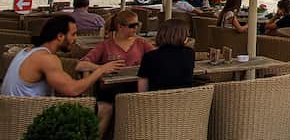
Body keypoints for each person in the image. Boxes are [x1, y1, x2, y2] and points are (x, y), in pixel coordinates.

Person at [1, 15, 123, 97]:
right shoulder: (47, 59)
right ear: (60, 36)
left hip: (13, 115)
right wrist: (101, 70)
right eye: (73, 34)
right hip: (29, 116)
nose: (75, 39)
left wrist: (93, 67)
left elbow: (73, 66)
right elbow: (73, 89)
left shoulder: (27, 52)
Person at [77, 9, 155, 138]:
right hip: (110, 88)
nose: (135, 28)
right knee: (104, 109)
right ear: (120, 26)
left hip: (134, 87)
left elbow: (156, 57)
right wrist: (102, 67)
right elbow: (81, 65)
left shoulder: (141, 43)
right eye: (132, 26)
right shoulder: (106, 45)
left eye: (137, 25)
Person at [137, 18, 195, 92]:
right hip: (185, 100)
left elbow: (142, 89)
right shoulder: (189, 53)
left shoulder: (150, 56)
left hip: (156, 101)